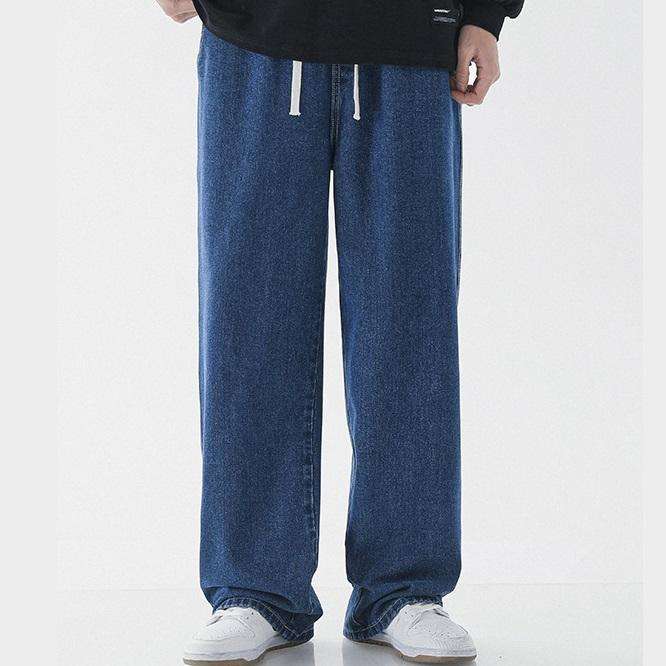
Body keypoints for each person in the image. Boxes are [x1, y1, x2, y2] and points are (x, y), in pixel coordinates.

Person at [155, 1, 523, 663]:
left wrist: (487, 14)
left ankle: (404, 587)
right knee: (250, 323)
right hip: (254, 37)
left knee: (409, 323)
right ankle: (254, 588)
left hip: (411, 40)